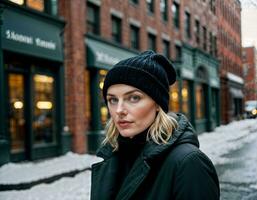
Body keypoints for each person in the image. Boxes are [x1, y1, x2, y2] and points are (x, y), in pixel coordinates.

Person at [90, 50, 220, 200]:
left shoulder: (188, 163)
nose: (119, 110)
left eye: (133, 98)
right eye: (113, 100)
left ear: (158, 104)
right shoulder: (114, 157)